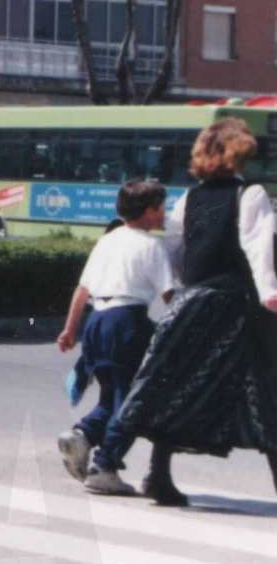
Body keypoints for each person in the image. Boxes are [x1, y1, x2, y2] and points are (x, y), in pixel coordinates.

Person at [104, 119, 277, 506]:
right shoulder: (251, 195)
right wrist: (269, 292)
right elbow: (257, 246)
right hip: (238, 305)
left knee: (179, 386)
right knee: (266, 389)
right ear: (237, 155)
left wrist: (186, 291)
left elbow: (175, 250)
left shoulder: (188, 199)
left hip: (195, 302)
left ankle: (158, 475)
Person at [55, 181, 176, 495]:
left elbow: (82, 290)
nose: (165, 213)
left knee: (112, 395)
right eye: (162, 207)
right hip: (127, 322)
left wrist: (70, 330)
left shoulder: (107, 242)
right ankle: (105, 466)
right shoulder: (151, 246)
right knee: (135, 400)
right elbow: (170, 296)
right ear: (149, 211)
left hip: (96, 322)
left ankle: (81, 436)